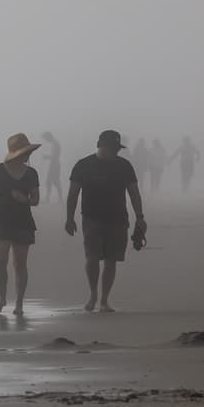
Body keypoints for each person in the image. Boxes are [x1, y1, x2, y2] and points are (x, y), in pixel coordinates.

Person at [66, 130, 145, 313]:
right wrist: (69, 218)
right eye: (114, 148)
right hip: (91, 218)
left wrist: (140, 217)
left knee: (111, 260)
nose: (117, 151)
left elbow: (134, 193)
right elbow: (73, 194)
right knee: (92, 257)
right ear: (102, 146)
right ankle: (93, 294)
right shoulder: (83, 165)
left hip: (118, 219)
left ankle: (104, 300)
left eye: (118, 148)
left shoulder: (124, 166)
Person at [0, 134, 41, 315]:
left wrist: (24, 199)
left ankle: (19, 303)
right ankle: (2, 299)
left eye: (29, 151)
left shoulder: (31, 173)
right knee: (0, 262)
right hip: (0, 221)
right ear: (17, 153)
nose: (29, 155)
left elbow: (36, 200)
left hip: (23, 222)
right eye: (26, 152)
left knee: (20, 264)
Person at [40, 132, 63, 203]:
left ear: (49, 137)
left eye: (46, 138)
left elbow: (55, 156)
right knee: (50, 181)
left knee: (54, 181)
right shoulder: (55, 144)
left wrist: (47, 157)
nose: (46, 140)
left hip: (55, 165)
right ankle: (49, 198)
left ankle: (55, 198)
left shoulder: (56, 144)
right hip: (54, 165)